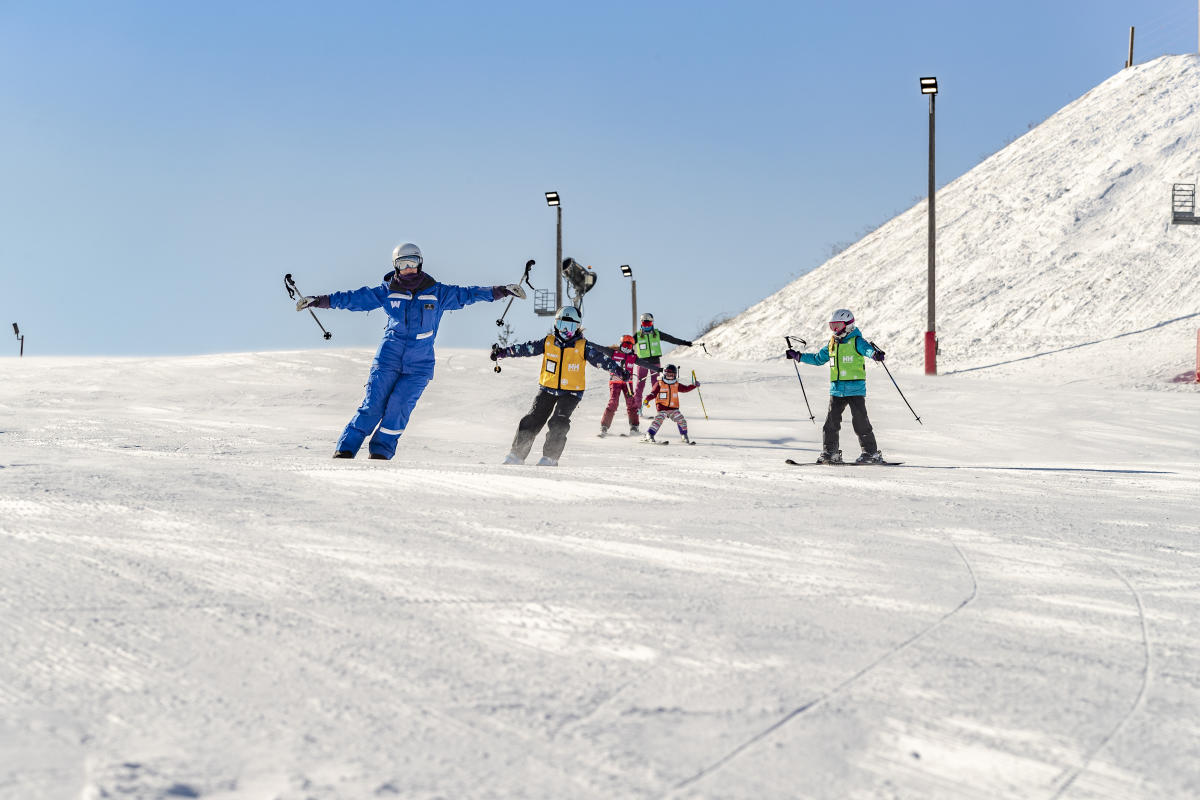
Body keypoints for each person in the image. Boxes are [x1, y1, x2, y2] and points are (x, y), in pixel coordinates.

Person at [296, 242, 525, 460]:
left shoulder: (437, 293)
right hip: (388, 359)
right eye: (403, 263)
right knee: (373, 407)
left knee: (399, 409)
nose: (408, 268)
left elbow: (469, 294)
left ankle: (381, 452)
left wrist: (502, 291)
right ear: (396, 265)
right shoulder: (387, 292)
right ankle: (346, 450)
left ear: (420, 263)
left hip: (419, 365)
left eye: (412, 262)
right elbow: (353, 298)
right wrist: (319, 301)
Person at [493, 306, 650, 466]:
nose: (565, 330)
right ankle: (516, 456)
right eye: (562, 325)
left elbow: (602, 360)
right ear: (556, 325)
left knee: (559, 422)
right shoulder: (548, 342)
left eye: (571, 326)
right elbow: (526, 349)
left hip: (571, 393)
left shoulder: (583, 346)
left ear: (577, 327)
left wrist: (618, 370)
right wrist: (503, 352)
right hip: (547, 388)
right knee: (532, 419)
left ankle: (550, 457)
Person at [784, 308, 887, 464]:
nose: (835, 330)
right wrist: (798, 356)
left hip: (855, 389)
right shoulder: (832, 343)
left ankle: (871, 453)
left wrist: (875, 354)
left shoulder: (856, 341)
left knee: (860, 422)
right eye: (832, 326)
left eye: (838, 326)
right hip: (837, 389)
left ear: (848, 325)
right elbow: (818, 359)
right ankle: (830, 453)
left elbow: (867, 350)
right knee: (830, 424)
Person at [632, 312, 696, 408]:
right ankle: (636, 408)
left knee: (656, 385)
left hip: (655, 362)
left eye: (648, 324)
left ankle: (660, 407)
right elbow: (628, 345)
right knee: (640, 385)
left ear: (652, 323)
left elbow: (671, 339)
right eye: (644, 324)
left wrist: (684, 343)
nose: (646, 326)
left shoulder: (657, 334)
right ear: (641, 324)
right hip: (642, 362)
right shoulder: (637, 336)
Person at [641, 364, 699, 444]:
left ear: (675, 375)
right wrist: (647, 399)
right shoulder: (660, 383)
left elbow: (685, 389)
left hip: (673, 408)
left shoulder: (676, 384)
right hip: (662, 407)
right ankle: (649, 435)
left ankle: (684, 436)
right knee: (659, 419)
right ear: (664, 374)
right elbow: (653, 393)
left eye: (672, 375)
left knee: (681, 420)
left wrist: (694, 386)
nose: (670, 377)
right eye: (668, 374)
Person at [599, 334, 642, 437]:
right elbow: (600, 348)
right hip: (615, 381)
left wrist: (659, 370)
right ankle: (604, 427)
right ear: (621, 344)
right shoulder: (614, 353)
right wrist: (586, 342)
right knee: (613, 403)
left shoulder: (633, 357)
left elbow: (645, 364)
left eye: (629, 346)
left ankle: (634, 427)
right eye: (625, 345)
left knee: (631, 403)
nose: (627, 348)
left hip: (628, 383)